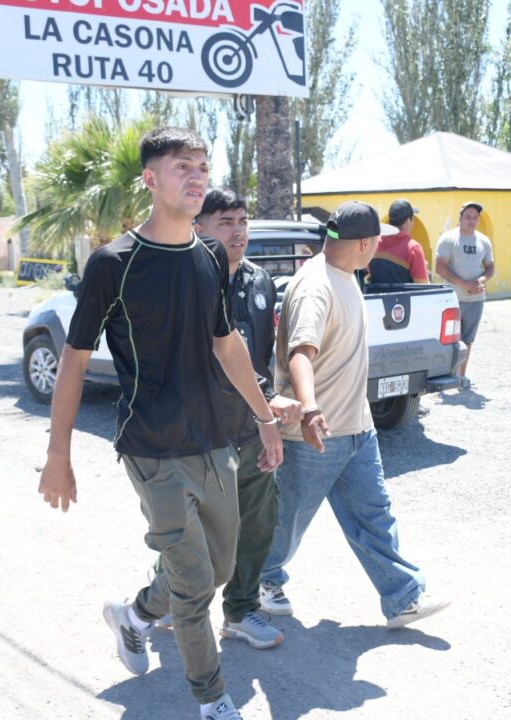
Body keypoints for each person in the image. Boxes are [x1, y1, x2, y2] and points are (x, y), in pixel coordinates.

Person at [37, 129, 284, 720]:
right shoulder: (112, 264)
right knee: (195, 586)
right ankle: (213, 700)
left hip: (213, 440)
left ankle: (136, 614)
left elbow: (226, 343)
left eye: (202, 166)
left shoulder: (209, 257)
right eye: (181, 167)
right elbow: (73, 360)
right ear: (150, 179)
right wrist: (58, 454)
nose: (196, 177)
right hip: (151, 446)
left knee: (219, 568)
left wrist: (266, 418)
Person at [257, 200, 449, 630]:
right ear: (364, 243)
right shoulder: (315, 286)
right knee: (287, 522)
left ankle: (403, 597)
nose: (380, 246)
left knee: (374, 516)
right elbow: (300, 355)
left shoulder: (345, 275)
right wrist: (310, 410)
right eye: (377, 240)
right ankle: (258, 580)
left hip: (357, 428)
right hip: (316, 434)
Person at [151, 187, 302, 650]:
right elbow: (206, 359)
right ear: (198, 228)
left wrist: (270, 405)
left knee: (256, 524)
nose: (238, 232)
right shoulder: (184, 281)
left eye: (242, 221)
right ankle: (166, 599)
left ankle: (240, 611)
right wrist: (267, 401)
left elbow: (258, 355)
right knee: (193, 526)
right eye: (225, 223)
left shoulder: (260, 281)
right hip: (199, 432)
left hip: (251, 427)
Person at [434, 202, 495, 389]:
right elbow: (440, 267)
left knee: (467, 340)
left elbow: (490, 268)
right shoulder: (448, 239)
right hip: (452, 299)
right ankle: (447, 375)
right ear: (460, 218)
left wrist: (480, 281)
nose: (471, 220)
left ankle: (462, 376)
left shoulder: (484, 241)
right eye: (467, 216)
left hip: (475, 300)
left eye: (475, 217)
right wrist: (465, 284)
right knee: (450, 340)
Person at [368, 198, 429, 285]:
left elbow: (369, 275)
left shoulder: (374, 243)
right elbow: (422, 286)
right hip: (404, 295)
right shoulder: (413, 248)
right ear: (408, 221)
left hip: (376, 294)